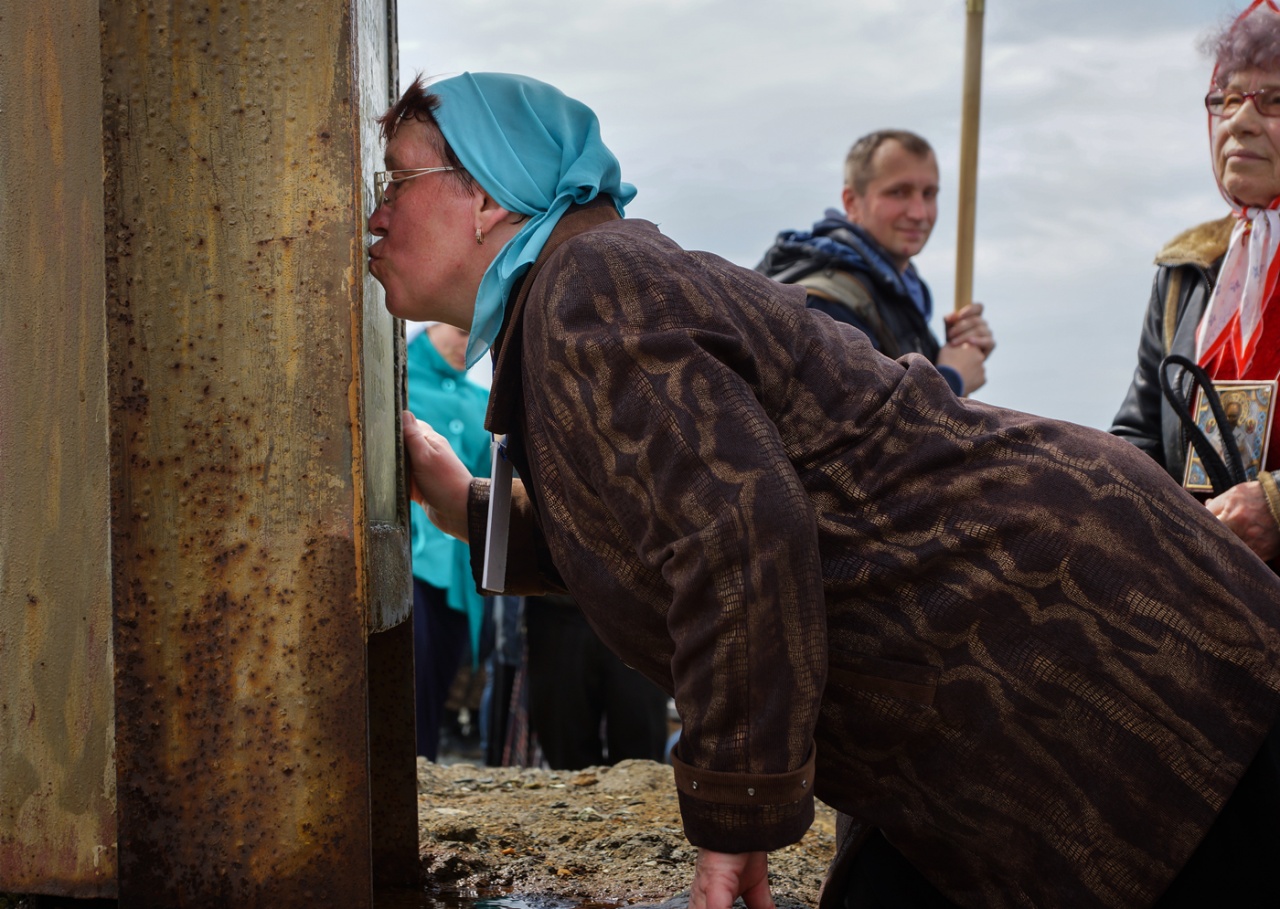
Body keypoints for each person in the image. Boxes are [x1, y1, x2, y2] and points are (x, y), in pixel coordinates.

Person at [369, 72, 1280, 908]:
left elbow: (737, 530)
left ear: (485, 195)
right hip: (972, 669)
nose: (372, 211)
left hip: (1075, 638)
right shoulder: (580, 293)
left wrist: (736, 820)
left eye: (395, 180)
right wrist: (467, 506)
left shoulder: (587, 285)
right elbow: (666, 521)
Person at [1112, 0, 1280, 569]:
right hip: (1200, 600)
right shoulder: (1186, 269)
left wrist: (1277, 507)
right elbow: (1138, 436)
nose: (1241, 121)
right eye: (1227, 99)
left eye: (1275, 100)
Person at [757, 130, 994, 396]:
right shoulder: (826, 302)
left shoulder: (895, 291)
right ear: (852, 202)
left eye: (929, 193)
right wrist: (952, 378)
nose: (919, 213)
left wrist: (956, 349)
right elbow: (854, 424)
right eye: (898, 193)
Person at [405, 322, 491, 761]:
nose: (468, 344)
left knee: (437, 691)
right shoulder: (394, 383)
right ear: (432, 326)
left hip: (461, 578)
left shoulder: (481, 403)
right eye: (460, 331)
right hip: (408, 564)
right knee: (407, 690)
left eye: (478, 336)